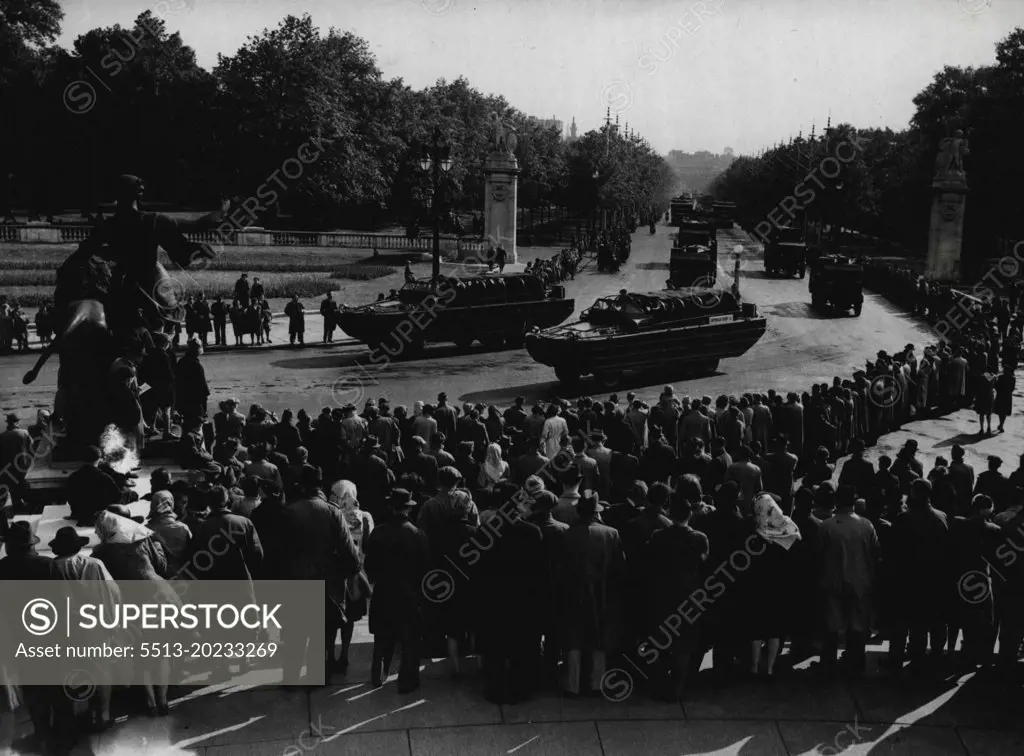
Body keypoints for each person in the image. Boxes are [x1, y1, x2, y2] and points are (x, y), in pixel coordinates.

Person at [641, 493, 708, 700]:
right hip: (689, 597)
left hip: (661, 595)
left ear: (670, 513)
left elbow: (648, 564)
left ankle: (660, 684)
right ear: (690, 515)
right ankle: (677, 688)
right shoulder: (699, 538)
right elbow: (704, 565)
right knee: (683, 646)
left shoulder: (658, 536)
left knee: (659, 642)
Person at [364, 489, 431, 693]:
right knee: (410, 640)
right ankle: (407, 681)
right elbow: (426, 568)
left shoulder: (379, 532)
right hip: (409, 595)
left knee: (382, 638)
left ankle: (377, 675)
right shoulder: (418, 535)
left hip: (384, 592)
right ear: (408, 509)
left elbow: (369, 566)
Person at [560, 491, 626, 696]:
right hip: (602, 594)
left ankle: (572, 684)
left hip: (574, 592)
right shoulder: (611, 534)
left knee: (574, 639)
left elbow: (560, 569)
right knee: (599, 638)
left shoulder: (567, 534)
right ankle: (597, 682)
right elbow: (619, 568)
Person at [818, 486, 880, 675]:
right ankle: (855, 661)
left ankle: (828, 663)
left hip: (833, 580)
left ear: (836, 501)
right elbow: (875, 552)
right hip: (860, 580)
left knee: (832, 624)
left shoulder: (826, 525)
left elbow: (818, 554)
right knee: (857, 624)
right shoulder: (866, 525)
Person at [328, 480, 374, 672]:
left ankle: (330, 655)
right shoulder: (365, 517)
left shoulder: (332, 514)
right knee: (351, 618)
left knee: (330, 618)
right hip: (356, 574)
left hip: (334, 574)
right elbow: (370, 544)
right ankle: (345, 653)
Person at [995, 363, 1015, 433]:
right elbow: (1012, 389)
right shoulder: (1013, 378)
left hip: (1000, 395)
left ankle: (1001, 424)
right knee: (1005, 411)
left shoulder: (1001, 377)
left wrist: (999, 391)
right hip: (1007, 396)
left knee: (1001, 411)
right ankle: (1001, 425)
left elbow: (996, 386)